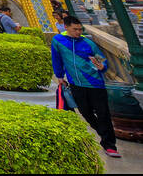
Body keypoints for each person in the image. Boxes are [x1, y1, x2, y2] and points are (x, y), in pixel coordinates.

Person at [51, 16, 119, 158]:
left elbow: (102, 59)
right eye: (75, 29)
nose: (78, 32)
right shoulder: (58, 41)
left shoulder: (88, 43)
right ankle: (103, 133)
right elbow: (56, 59)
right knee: (85, 112)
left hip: (95, 84)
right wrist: (59, 76)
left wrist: (102, 66)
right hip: (76, 84)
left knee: (103, 114)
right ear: (66, 27)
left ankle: (110, 145)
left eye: (80, 29)